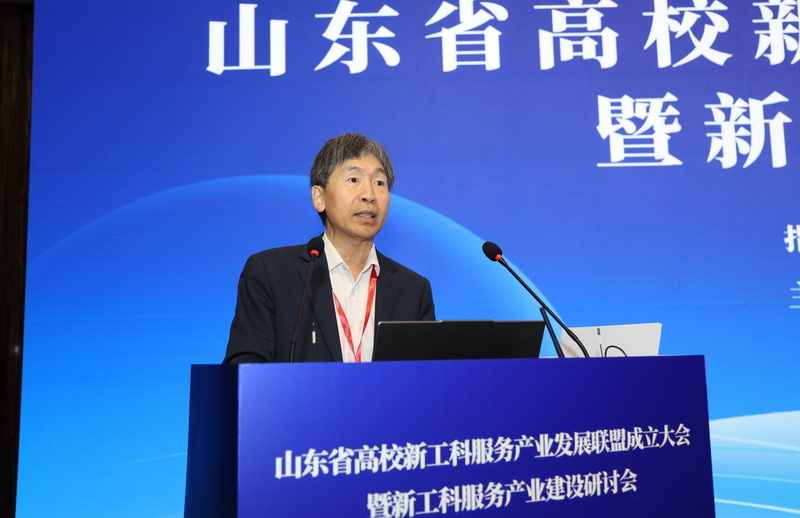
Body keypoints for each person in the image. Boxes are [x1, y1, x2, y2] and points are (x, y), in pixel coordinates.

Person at [223, 133, 436, 363]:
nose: (369, 195)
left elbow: (429, 377)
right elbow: (244, 370)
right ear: (319, 197)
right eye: (353, 179)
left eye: (379, 183)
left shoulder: (414, 290)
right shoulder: (270, 274)